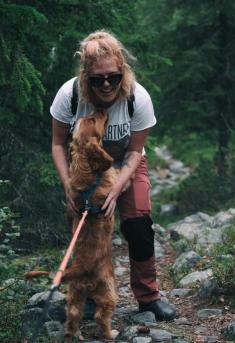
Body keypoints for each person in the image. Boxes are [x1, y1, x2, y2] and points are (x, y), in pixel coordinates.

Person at [50, 30, 176, 321]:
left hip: (127, 166)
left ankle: (148, 298)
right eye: (97, 79)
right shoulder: (69, 96)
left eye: (113, 77)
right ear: (86, 76)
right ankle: (92, 297)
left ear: (122, 70)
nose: (106, 84)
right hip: (86, 171)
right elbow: (57, 144)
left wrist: (117, 187)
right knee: (88, 232)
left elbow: (134, 153)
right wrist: (68, 186)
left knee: (138, 223)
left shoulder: (138, 98)